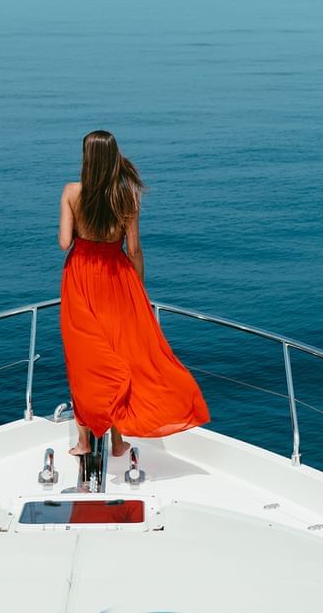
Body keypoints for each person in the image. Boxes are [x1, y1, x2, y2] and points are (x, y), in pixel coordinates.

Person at [57, 130, 209, 458]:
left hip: (81, 278)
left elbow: (64, 243)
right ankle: (117, 441)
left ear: (86, 157)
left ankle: (84, 442)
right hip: (117, 279)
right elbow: (135, 248)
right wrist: (137, 290)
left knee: (85, 360)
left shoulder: (71, 192)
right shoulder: (128, 196)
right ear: (114, 157)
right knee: (121, 353)